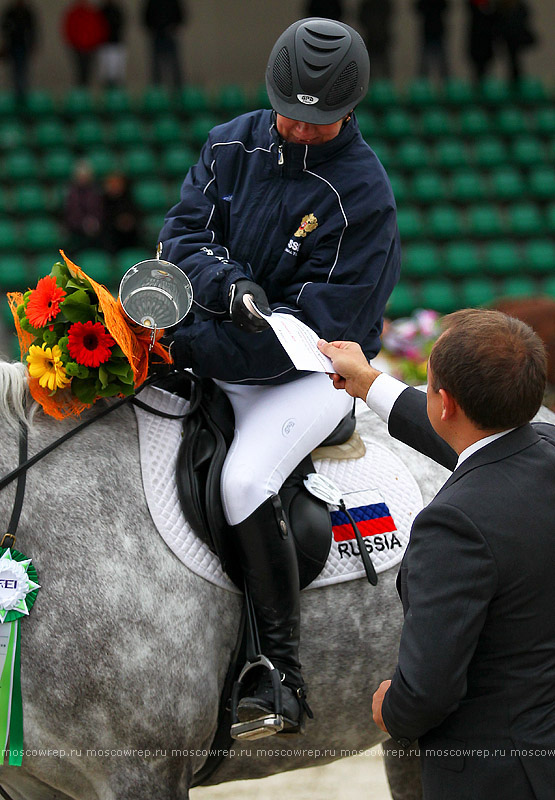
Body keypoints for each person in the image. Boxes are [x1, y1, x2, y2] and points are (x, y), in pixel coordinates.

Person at [158, 17, 400, 732]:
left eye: (315, 122)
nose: (296, 129)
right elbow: (183, 236)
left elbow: (316, 335)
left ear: (348, 109)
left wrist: (191, 338)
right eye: (288, 114)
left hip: (309, 376)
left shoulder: (363, 194)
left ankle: (279, 675)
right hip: (214, 339)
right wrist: (227, 284)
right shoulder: (231, 139)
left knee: (242, 481)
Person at [318, 308, 555, 799]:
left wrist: (394, 711)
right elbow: (476, 442)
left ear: (445, 403)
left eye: (428, 388)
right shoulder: (546, 443)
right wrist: (369, 383)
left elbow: (430, 690)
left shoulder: (454, 525)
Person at [62, 1, 108, 87]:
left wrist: (94, 43)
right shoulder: (74, 14)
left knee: (87, 72)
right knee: (79, 72)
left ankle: (85, 91)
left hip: (90, 48)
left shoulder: (92, 13)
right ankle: (80, 93)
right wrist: (74, 44)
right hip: (77, 48)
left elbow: (98, 29)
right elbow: (69, 30)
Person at [142, 0, 186, 89]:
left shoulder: (173, 2)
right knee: (156, 67)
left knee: (175, 66)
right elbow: (146, 18)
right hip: (157, 36)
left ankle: (178, 92)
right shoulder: (152, 2)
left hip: (170, 35)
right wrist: (153, 29)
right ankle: (157, 93)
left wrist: (173, 27)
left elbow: (181, 16)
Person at [63, 159, 104, 253]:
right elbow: (71, 212)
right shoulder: (71, 193)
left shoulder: (97, 192)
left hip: (96, 230)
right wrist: (82, 223)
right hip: (76, 231)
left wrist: (94, 222)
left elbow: (99, 210)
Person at [0, 0, 37, 102]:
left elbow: (33, 30)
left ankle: (22, 95)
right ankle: (16, 94)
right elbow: (5, 28)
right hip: (12, 46)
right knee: (14, 71)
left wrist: (32, 44)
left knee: (22, 71)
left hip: (23, 46)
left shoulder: (27, 12)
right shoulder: (10, 12)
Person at [100, 171, 142, 254]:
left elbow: (137, 215)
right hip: (111, 236)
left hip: (130, 236)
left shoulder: (129, 199)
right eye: (111, 184)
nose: (114, 186)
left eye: (117, 183)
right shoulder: (102, 201)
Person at [414, 0, 450, 81]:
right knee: (425, 64)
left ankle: (446, 85)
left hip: (436, 31)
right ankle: (423, 85)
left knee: (442, 64)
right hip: (429, 31)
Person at [358, 0, 394, 80]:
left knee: (381, 67)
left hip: (377, 38)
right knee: (373, 67)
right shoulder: (381, 4)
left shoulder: (380, 5)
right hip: (375, 38)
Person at [98, 0, 126, 88]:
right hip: (104, 44)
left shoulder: (117, 10)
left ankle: (116, 94)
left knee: (117, 73)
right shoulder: (101, 11)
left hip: (116, 44)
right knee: (107, 73)